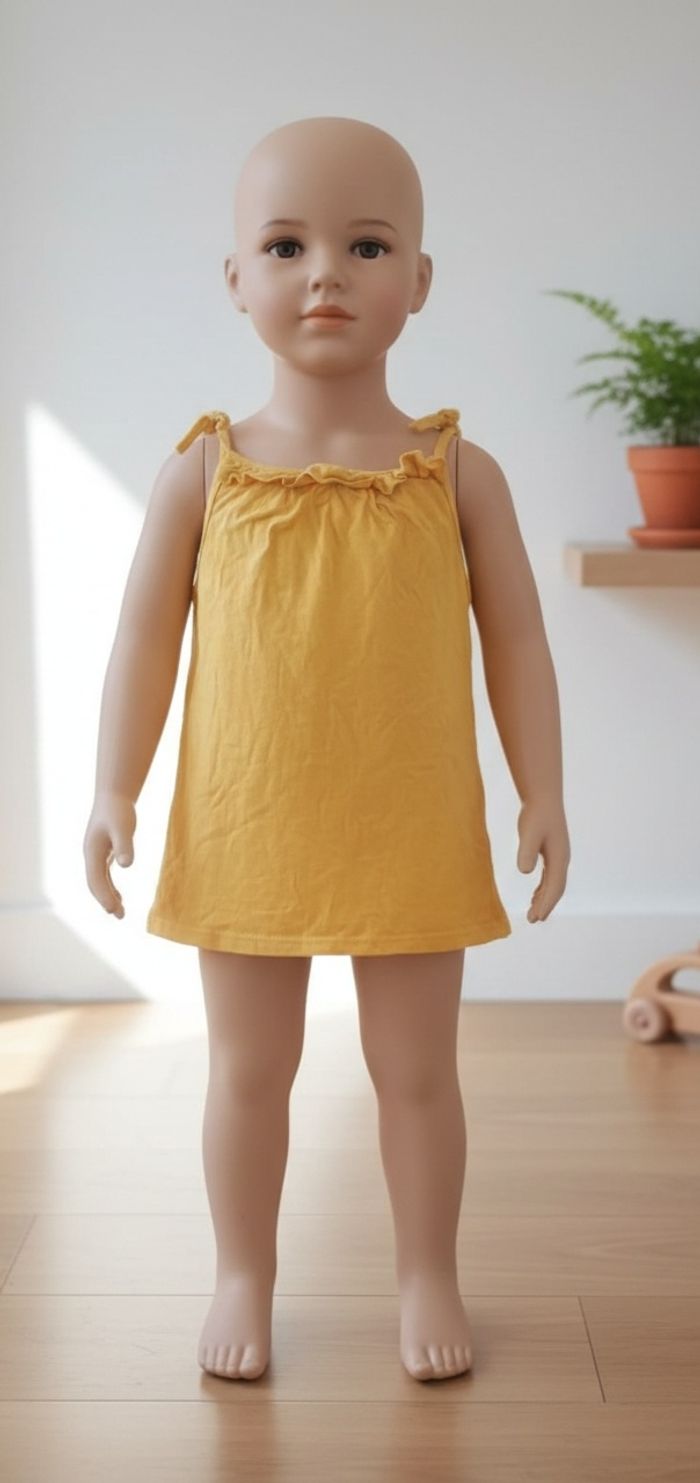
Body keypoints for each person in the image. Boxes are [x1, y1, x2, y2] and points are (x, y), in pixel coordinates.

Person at [83, 115, 571, 1384]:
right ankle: (242, 1271)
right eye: (285, 246)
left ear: (419, 278)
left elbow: (518, 637)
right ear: (234, 277)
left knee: (417, 1075)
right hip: (248, 821)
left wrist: (543, 789)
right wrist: (112, 787)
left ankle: (426, 1274)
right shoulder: (204, 470)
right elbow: (144, 637)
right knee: (249, 1074)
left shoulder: (457, 473)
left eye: (365, 245)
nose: (324, 277)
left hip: (407, 820)